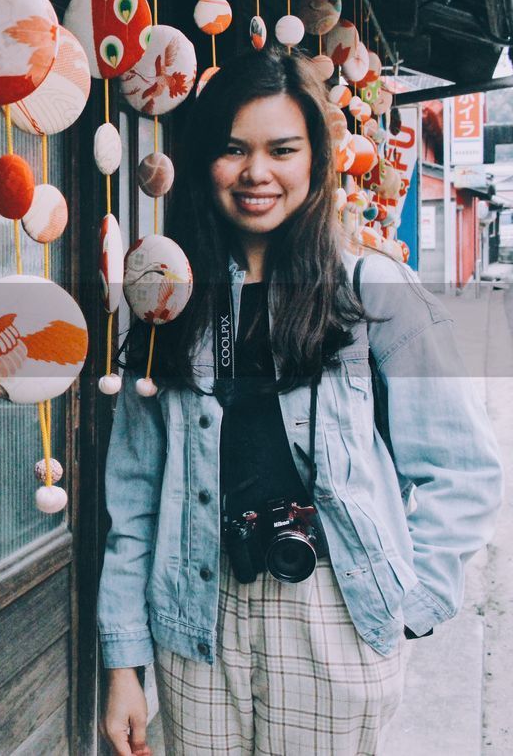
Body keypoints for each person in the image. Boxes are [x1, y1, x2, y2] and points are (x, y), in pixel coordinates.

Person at [97, 48, 503, 756]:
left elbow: (463, 466)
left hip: (329, 607)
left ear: (315, 160)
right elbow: (132, 498)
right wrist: (123, 664)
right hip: (199, 610)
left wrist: (407, 605)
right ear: (205, 163)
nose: (258, 173)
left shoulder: (369, 290)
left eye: (282, 149)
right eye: (233, 150)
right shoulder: (166, 300)